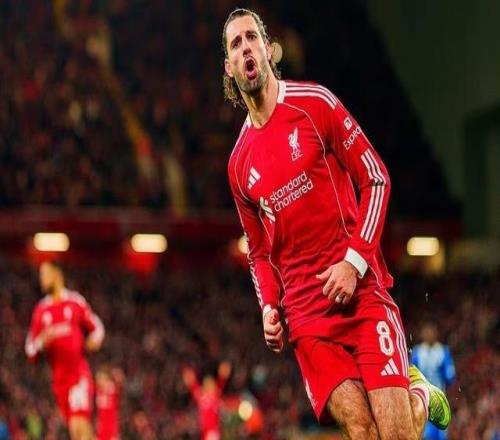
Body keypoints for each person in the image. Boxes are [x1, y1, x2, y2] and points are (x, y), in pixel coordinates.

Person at [223, 8, 451, 439]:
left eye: (252, 37)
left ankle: (421, 392)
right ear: (229, 67)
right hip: (307, 315)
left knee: (396, 435)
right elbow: (258, 252)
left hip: (360, 292)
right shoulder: (238, 164)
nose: (246, 47)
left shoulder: (315, 104)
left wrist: (354, 262)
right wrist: (269, 305)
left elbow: (376, 178)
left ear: (268, 49)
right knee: (361, 429)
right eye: (236, 43)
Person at [25, 261, 105, 440]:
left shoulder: (74, 301)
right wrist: (41, 342)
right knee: (79, 432)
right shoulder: (41, 310)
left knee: (78, 428)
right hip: (59, 382)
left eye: (45, 274)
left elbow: (97, 326)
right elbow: (29, 349)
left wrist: (95, 339)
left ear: (57, 275)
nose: (42, 279)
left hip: (78, 375)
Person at [411, 322, 455, 440]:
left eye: (431, 332)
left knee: (439, 434)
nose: (429, 334)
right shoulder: (417, 352)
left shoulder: (443, 351)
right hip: (421, 401)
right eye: (426, 332)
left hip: (438, 400)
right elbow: (410, 375)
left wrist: (442, 372)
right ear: (422, 334)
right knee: (422, 434)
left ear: (436, 334)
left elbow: (450, 377)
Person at [181, 361, 232, 440]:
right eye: (207, 384)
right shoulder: (201, 395)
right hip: (204, 430)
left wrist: (224, 372)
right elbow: (192, 385)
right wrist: (188, 375)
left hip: (213, 430)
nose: (210, 386)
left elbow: (222, 380)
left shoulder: (215, 394)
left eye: (211, 384)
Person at [96, 366, 124, 440]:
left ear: (106, 379)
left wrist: (115, 373)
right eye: (98, 379)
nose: (99, 381)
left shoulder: (112, 388)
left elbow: (120, 380)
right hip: (101, 428)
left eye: (101, 378)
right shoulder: (98, 390)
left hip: (111, 427)